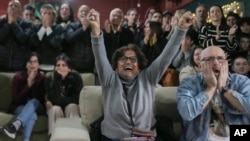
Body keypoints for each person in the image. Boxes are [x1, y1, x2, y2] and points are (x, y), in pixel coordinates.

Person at [87, 8, 193, 140]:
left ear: (139, 66)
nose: (128, 62)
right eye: (123, 59)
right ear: (115, 65)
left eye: (133, 59)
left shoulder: (148, 78)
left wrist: (181, 29)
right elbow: (100, 56)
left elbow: (167, 55)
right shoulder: (109, 79)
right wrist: (96, 30)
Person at [177, 46, 250, 141]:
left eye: (220, 58)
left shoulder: (242, 81)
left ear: (226, 63)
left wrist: (223, 89)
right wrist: (210, 88)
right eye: (209, 59)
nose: (216, 62)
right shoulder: (188, 83)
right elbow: (187, 113)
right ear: (200, 65)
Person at [2, 52, 46, 141]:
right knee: (31, 115)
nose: (32, 64)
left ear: (39, 65)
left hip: (38, 107)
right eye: (30, 62)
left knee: (34, 101)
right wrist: (28, 84)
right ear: (26, 65)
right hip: (20, 107)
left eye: (35, 62)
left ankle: (15, 125)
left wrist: (33, 83)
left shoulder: (42, 78)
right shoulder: (18, 77)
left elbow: (40, 99)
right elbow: (16, 100)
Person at [44, 54, 83, 136]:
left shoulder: (76, 77)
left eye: (64, 65)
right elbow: (52, 98)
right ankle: (55, 136)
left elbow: (77, 99)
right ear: (54, 68)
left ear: (69, 68)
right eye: (58, 65)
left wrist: (60, 101)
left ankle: (75, 136)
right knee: (55, 109)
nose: (60, 68)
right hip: (56, 107)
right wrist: (58, 79)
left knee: (72, 106)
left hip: (70, 107)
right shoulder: (49, 78)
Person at [0, 0, 33, 72]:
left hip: (18, 65)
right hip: (1, 63)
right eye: (10, 6)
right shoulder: (1, 22)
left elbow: (23, 39)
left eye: (16, 6)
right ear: (7, 9)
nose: (13, 7)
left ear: (20, 10)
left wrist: (14, 23)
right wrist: (8, 24)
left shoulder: (27, 24)